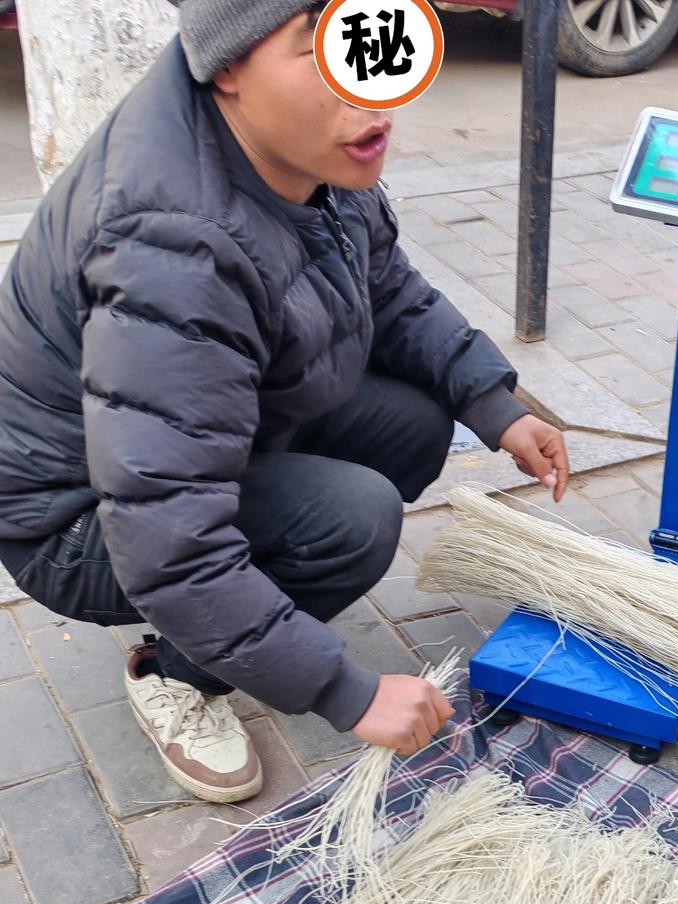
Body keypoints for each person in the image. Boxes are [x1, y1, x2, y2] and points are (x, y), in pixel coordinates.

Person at [0, 0, 569, 804]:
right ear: (228, 64)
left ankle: (248, 586)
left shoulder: (306, 144)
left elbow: (388, 287)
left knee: (415, 426)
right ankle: (174, 673)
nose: (369, 95)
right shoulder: (171, 246)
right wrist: (345, 691)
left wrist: (494, 405)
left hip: (172, 442)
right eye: (322, 53)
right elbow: (168, 535)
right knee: (354, 519)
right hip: (78, 516)